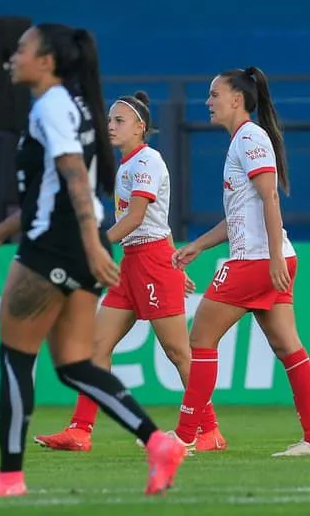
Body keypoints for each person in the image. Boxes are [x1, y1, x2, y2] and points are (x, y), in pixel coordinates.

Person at [0, 24, 186, 498]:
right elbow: (51, 187)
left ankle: (9, 475)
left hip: (53, 247)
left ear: (47, 61)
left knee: (16, 354)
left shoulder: (53, 105)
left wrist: (90, 241)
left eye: (23, 48)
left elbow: (74, 176)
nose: (14, 56)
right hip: (70, 243)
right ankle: (158, 441)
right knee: (75, 364)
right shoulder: (78, 107)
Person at [34, 91, 227, 453]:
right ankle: (80, 430)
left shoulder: (147, 161)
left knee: (178, 351)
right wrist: (172, 259)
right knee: (96, 347)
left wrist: (96, 246)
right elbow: (153, 221)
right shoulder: (127, 164)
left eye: (119, 120)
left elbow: (138, 217)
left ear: (141, 127)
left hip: (150, 262)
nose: (111, 126)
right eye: (109, 120)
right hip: (135, 263)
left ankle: (210, 430)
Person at [170, 67, 310, 457]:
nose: (208, 102)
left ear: (236, 100)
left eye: (214, 94)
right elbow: (243, 213)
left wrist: (273, 257)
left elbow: (271, 198)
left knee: (200, 339)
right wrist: (200, 245)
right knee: (288, 346)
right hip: (269, 258)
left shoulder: (250, 138)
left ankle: (184, 437)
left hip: (258, 261)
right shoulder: (243, 140)